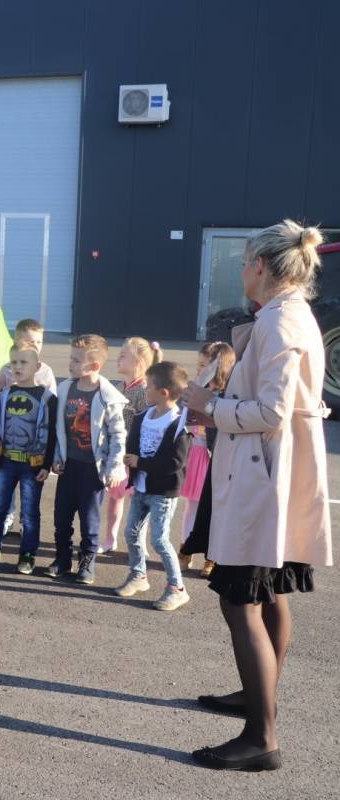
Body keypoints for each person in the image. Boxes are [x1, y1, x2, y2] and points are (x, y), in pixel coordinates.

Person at [182, 220, 331, 772]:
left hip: (263, 476)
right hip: (273, 472)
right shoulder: (287, 314)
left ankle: (260, 735)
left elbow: (271, 411)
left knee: (240, 598)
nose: (242, 271)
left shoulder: (280, 320)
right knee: (268, 591)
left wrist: (210, 405)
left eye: (245, 262)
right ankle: (256, 697)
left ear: (261, 266)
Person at [47, 334, 127, 584]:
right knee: (61, 517)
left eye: (76, 360)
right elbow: (59, 428)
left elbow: (118, 434)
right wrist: (57, 456)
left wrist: (114, 467)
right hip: (68, 466)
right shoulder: (65, 388)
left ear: (94, 365)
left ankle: (87, 562)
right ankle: (62, 559)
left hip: (93, 469)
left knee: (89, 520)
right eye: (71, 358)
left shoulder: (107, 396)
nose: (70, 363)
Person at [115, 361, 193, 610]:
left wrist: (141, 462)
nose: (145, 390)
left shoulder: (179, 425)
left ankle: (177, 588)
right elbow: (133, 444)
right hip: (141, 488)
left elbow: (174, 463)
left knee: (159, 540)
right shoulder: (143, 417)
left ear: (164, 392)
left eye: (149, 386)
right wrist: (129, 459)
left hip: (163, 492)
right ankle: (138, 575)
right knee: (131, 533)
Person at [0, 342, 56, 574]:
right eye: (14, 362)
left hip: (33, 465)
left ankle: (28, 554)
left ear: (37, 366)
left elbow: (52, 433)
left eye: (24, 362)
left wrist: (47, 464)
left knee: (30, 512)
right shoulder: (4, 394)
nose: (18, 367)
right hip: (6, 462)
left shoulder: (47, 398)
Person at [0, 319, 58, 536]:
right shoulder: (6, 371)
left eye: (39, 341)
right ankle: (8, 516)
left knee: (29, 492)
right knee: (5, 488)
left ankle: (24, 521)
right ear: (16, 340)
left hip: (33, 446)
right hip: (10, 442)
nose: (35, 345)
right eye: (30, 341)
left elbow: (51, 407)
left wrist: (47, 456)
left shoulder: (46, 372)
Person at [100, 337, 161, 553]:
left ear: (138, 361)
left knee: (139, 502)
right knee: (115, 498)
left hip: (136, 457)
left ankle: (138, 545)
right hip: (119, 454)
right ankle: (110, 539)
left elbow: (148, 424)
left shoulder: (144, 390)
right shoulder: (119, 387)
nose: (118, 358)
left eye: (123, 355)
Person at [179, 341, 235, 574]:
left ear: (218, 367)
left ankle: (212, 557)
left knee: (214, 509)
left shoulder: (226, 397)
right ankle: (185, 550)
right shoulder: (194, 391)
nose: (199, 370)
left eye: (204, 366)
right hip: (192, 455)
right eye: (198, 365)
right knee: (190, 507)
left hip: (212, 459)